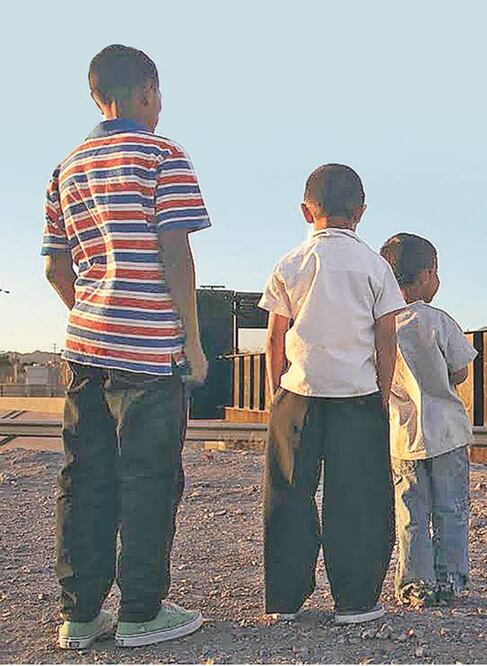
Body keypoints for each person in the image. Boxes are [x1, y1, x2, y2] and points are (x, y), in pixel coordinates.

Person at [43, 44, 210, 649]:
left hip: (85, 347)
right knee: (149, 478)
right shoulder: (162, 155)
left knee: (84, 477)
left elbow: (55, 268)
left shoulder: (66, 167)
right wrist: (192, 341)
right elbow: (176, 253)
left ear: (96, 96)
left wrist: (94, 313)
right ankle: (142, 611)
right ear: (147, 92)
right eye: (158, 95)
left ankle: (80, 615)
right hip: (149, 352)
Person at [259, 164, 406, 624]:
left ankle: (284, 600)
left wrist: (275, 392)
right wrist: (382, 391)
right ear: (361, 212)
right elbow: (386, 336)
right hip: (357, 395)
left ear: (307, 211)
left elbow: (275, 336)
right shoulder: (376, 266)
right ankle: (355, 601)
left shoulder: (290, 263)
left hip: (297, 393)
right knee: (357, 496)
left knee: (289, 493)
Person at [379, 233, 477, 607]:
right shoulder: (437, 320)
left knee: (411, 510)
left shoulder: (382, 325)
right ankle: (449, 578)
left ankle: (414, 584)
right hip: (446, 433)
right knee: (450, 508)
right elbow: (460, 370)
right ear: (425, 275)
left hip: (403, 437)